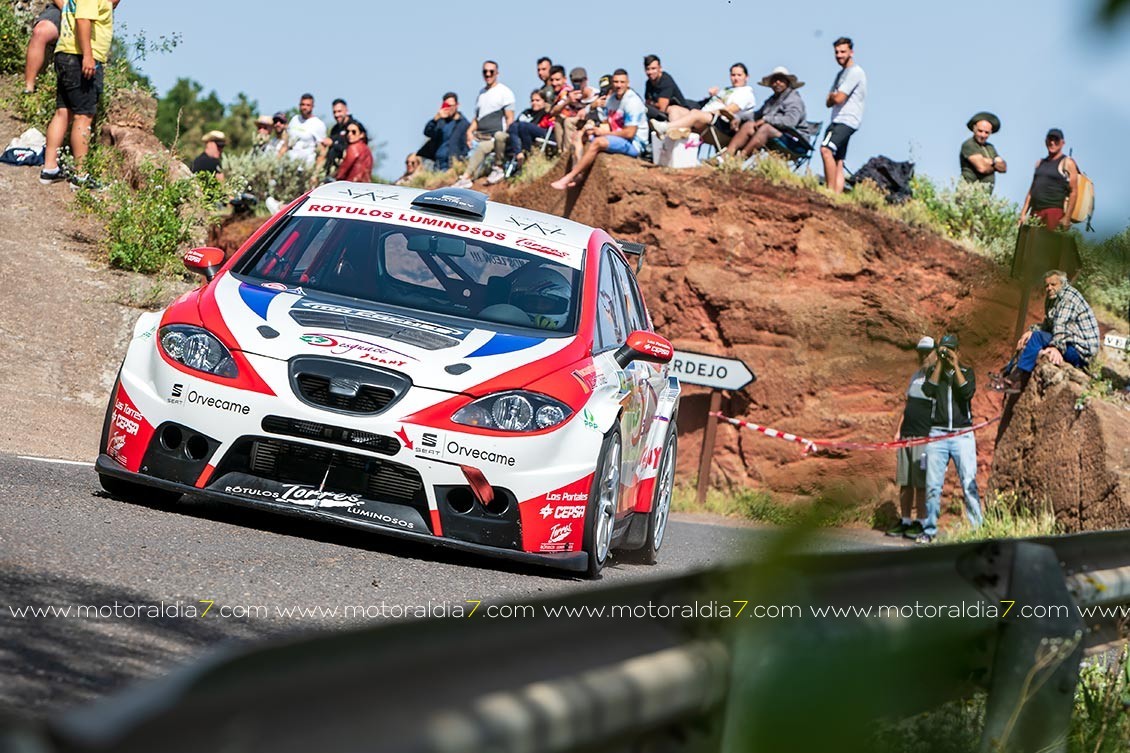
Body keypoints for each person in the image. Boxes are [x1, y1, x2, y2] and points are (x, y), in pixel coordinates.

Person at [39, 0, 115, 186]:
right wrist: (88, 56)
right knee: (84, 116)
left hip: (66, 54)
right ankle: (81, 175)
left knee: (63, 111)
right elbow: (82, 20)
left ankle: (50, 168)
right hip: (80, 58)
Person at [919, 333, 983, 543]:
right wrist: (939, 363)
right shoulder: (933, 372)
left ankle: (977, 531)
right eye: (944, 349)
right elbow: (928, 390)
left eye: (951, 349)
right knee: (933, 485)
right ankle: (929, 531)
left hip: (962, 434)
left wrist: (954, 365)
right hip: (937, 434)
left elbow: (966, 393)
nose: (947, 353)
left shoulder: (966, 372)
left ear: (958, 351)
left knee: (969, 482)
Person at [550, 69, 647, 191]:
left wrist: (604, 133)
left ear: (628, 83)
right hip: (617, 137)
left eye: (622, 82)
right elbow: (606, 122)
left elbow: (629, 133)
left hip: (634, 143)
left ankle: (569, 177)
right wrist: (595, 129)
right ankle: (579, 171)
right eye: (616, 82)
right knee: (579, 135)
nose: (619, 85)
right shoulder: (611, 100)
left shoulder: (632, 102)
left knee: (598, 143)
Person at [1009, 270, 1099, 386]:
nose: (1049, 288)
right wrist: (1031, 331)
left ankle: (1017, 378)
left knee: (1037, 337)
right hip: (1069, 341)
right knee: (1032, 337)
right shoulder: (1053, 298)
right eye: (1047, 285)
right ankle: (1008, 372)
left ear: (1062, 283)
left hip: (1081, 352)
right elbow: (1048, 325)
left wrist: (1056, 348)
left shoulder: (1068, 299)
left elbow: (1060, 326)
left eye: (1053, 284)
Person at [887, 337, 936, 540]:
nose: (923, 356)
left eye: (927, 352)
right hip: (907, 435)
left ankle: (921, 522)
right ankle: (906, 520)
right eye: (921, 352)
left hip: (924, 438)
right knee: (905, 481)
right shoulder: (915, 376)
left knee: (921, 482)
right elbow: (907, 407)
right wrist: (898, 432)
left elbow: (940, 411)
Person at [651, 62, 757, 141]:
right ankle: (676, 138)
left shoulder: (746, 93)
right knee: (674, 109)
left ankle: (666, 128)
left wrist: (709, 112)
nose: (735, 78)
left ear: (746, 77)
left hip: (722, 124)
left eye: (739, 75)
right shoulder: (727, 90)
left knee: (695, 114)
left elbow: (730, 109)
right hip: (705, 116)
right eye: (733, 75)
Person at [723, 66, 808, 161]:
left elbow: (790, 121)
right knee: (749, 125)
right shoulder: (771, 100)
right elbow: (756, 115)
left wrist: (766, 119)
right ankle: (725, 156)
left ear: (787, 82)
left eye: (781, 80)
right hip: (777, 136)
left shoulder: (794, 99)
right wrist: (739, 117)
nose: (777, 83)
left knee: (765, 128)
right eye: (774, 80)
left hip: (796, 142)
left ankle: (739, 160)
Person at [453, 60, 515, 188]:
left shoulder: (504, 92)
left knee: (499, 136)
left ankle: (498, 168)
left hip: (498, 137)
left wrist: (509, 138)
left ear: (497, 73)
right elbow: (478, 117)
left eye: (491, 71)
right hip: (482, 138)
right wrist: (469, 132)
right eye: (485, 72)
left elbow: (510, 119)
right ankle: (466, 177)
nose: (488, 74)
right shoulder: (481, 94)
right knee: (480, 148)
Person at [820, 36, 867, 194]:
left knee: (825, 149)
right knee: (838, 160)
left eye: (843, 52)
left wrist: (834, 96)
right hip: (839, 119)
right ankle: (837, 195)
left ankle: (830, 192)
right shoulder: (840, 74)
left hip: (845, 120)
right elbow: (828, 102)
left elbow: (838, 98)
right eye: (837, 52)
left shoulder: (855, 73)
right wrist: (833, 97)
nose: (839, 55)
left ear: (851, 52)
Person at [1019, 129, 1079, 230]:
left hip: (1053, 212)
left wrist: (1067, 218)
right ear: (1046, 141)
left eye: (1056, 140)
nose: (1052, 142)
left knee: (1048, 244)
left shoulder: (1067, 163)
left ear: (1062, 143)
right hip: (1035, 212)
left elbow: (1074, 191)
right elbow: (1032, 190)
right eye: (1050, 139)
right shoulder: (1040, 163)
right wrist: (1023, 214)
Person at [494, 89, 554, 182]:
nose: (534, 103)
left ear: (544, 102)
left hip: (540, 133)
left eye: (537, 100)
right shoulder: (527, 112)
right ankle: (519, 154)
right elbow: (514, 127)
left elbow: (547, 124)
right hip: (522, 137)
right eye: (532, 100)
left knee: (522, 126)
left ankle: (526, 155)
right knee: (514, 125)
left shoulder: (545, 113)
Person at [419, 92, 469, 172]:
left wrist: (460, 161)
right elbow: (427, 132)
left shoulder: (463, 124)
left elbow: (466, 146)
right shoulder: (440, 122)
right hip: (437, 163)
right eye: (446, 106)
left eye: (451, 106)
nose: (449, 108)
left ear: (457, 105)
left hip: (452, 165)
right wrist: (435, 119)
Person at [23, 0, 63, 94]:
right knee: (41, 31)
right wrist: (66, 10)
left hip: (94, 10)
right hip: (62, 8)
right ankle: (29, 87)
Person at [959, 112, 1007, 190]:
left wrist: (990, 162)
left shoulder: (990, 147)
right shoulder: (969, 144)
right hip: (968, 194)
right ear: (974, 129)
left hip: (985, 197)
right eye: (980, 131)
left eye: (986, 132)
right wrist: (995, 163)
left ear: (991, 132)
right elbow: (982, 168)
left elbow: (1003, 168)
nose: (983, 135)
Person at [643, 54, 689, 124]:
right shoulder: (648, 83)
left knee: (671, 109)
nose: (650, 72)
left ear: (660, 68)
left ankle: (674, 132)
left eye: (653, 68)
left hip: (683, 114)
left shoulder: (666, 81)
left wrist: (652, 104)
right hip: (664, 115)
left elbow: (662, 108)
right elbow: (647, 104)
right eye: (648, 69)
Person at [285, 93, 326, 168]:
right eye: (302, 104)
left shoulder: (318, 124)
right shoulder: (294, 119)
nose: (304, 107)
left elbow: (322, 151)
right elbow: (286, 142)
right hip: (289, 165)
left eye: (308, 105)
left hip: (306, 167)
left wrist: (315, 174)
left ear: (312, 106)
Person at [318, 98, 354, 178]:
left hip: (347, 174)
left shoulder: (354, 127)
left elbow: (352, 150)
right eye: (334, 112)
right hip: (332, 173)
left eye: (339, 111)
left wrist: (333, 143)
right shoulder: (335, 129)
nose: (337, 115)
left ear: (346, 110)